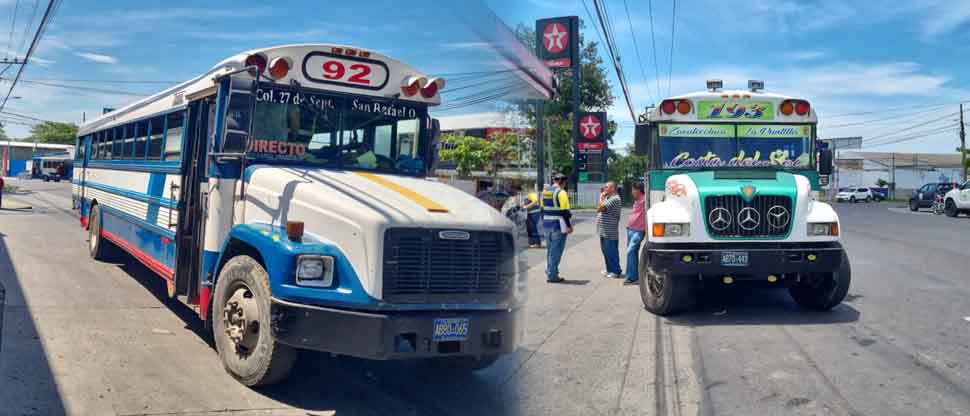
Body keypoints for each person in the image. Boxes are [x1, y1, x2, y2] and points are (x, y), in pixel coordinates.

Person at [542, 173, 572, 283]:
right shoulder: (561, 192)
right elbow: (564, 211)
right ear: (563, 182)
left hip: (547, 224)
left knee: (550, 250)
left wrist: (544, 221)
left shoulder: (545, 192)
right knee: (556, 251)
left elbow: (542, 209)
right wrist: (569, 226)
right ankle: (552, 275)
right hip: (558, 225)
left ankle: (550, 270)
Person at [596, 182, 623, 278]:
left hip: (610, 231)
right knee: (606, 251)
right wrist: (603, 198)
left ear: (613, 188)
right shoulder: (609, 198)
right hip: (604, 230)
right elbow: (599, 208)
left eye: (606, 187)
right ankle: (609, 269)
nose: (604, 188)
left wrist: (601, 197)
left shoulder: (615, 199)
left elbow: (600, 208)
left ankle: (615, 271)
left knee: (611, 251)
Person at [624, 182, 647, 285]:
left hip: (639, 230)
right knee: (632, 253)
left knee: (631, 251)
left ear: (638, 190)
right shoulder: (637, 201)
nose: (632, 192)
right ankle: (632, 275)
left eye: (633, 190)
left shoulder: (646, 200)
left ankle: (632, 278)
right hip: (631, 229)